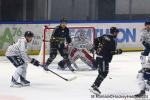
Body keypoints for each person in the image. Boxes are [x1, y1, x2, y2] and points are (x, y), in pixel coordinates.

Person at [89, 27, 123, 95]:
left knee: (101, 72)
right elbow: (110, 52)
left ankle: (95, 86)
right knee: (104, 72)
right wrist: (117, 52)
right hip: (104, 58)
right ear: (114, 32)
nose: (117, 34)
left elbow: (96, 40)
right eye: (116, 33)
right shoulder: (112, 40)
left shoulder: (105, 36)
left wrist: (96, 48)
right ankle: (94, 86)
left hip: (99, 57)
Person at [135, 21, 150, 97]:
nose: (148, 26)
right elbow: (142, 40)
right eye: (147, 25)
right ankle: (142, 91)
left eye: (149, 25)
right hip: (147, 47)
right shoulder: (143, 32)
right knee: (140, 75)